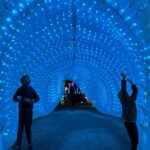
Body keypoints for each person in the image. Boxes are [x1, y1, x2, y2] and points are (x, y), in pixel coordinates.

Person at [13, 75, 40, 150]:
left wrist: (33, 101)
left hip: (29, 112)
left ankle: (29, 144)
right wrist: (24, 99)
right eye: (27, 78)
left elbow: (37, 97)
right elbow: (14, 98)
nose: (29, 79)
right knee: (20, 128)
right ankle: (19, 145)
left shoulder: (31, 89)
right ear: (24, 81)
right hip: (22, 112)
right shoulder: (20, 89)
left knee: (28, 128)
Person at [118, 72, 138, 150]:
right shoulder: (124, 100)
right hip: (128, 121)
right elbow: (123, 90)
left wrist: (132, 83)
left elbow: (135, 92)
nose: (124, 93)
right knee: (134, 141)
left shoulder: (131, 99)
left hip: (133, 121)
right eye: (122, 94)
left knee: (135, 141)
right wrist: (123, 79)